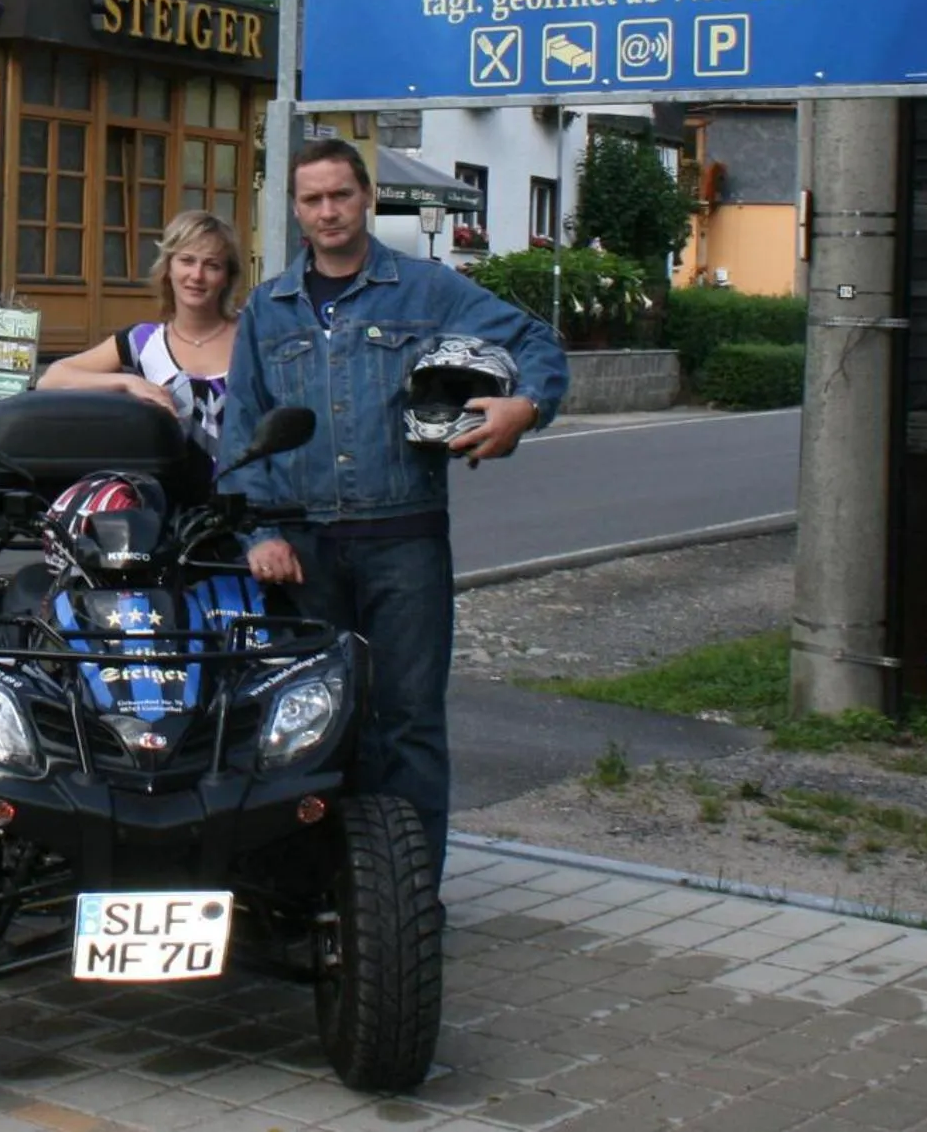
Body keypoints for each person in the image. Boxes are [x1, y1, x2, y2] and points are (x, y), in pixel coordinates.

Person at [222, 138, 567, 872]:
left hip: (403, 541)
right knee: (306, 722)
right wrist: (258, 529)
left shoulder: (426, 289)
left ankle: (404, 894)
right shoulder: (268, 308)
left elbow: (535, 341)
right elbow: (243, 427)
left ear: (365, 196)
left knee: (405, 723)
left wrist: (522, 410)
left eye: (339, 195)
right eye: (311, 199)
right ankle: (317, 891)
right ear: (295, 207)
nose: (327, 211)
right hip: (303, 551)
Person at [36, 208, 242, 472]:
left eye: (212, 265)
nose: (197, 275)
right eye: (187, 260)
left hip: (246, 501)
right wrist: (125, 382)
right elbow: (51, 379)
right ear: (168, 267)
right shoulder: (142, 342)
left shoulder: (252, 335)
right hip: (164, 504)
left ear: (227, 276)